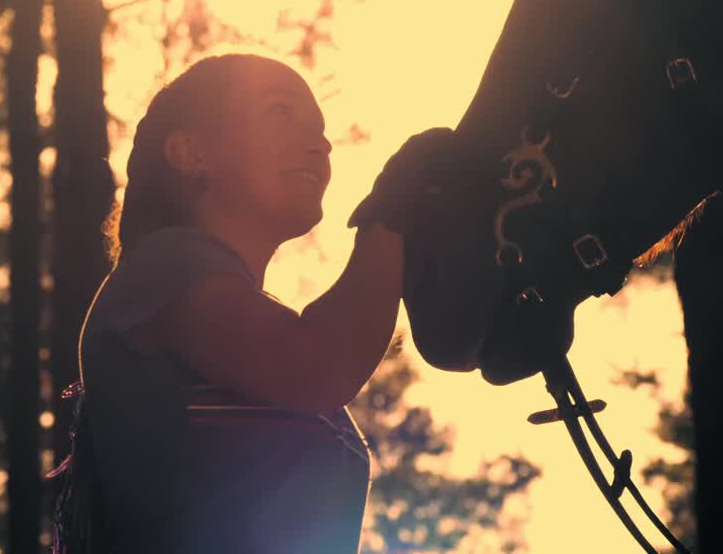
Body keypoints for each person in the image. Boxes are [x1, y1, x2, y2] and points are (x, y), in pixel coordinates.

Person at [51, 52, 457, 553]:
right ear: (191, 154)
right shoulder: (163, 266)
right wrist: (393, 210)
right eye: (280, 112)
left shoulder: (211, 301)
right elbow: (319, 364)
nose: (321, 143)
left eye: (320, 127)